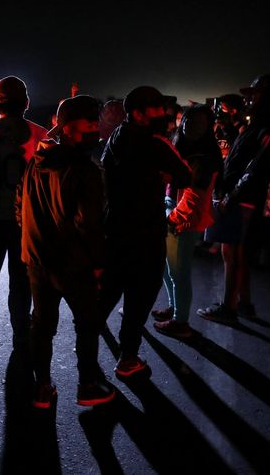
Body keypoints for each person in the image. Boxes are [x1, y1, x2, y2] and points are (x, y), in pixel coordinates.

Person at [19, 95, 116, 408]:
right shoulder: (84, 169)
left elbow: (19, 208)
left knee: (41, 325)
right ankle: (87, 384)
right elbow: (89, 224)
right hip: (73, 264)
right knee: (87, 324)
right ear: (70, 128)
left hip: (36, 259)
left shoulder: (37, 159)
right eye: (91, 125)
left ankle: (42, 387)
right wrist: (99, 262)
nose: (97, 131)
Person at [98, 86, 192, 378]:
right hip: (146, 232)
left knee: (110, 288)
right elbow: (186, 174)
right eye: (156, 109)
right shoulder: (155, 144)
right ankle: (127, 358)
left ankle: (87, 340)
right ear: (139, 113)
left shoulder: (115, 138)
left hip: (114, 227)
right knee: (140, 296)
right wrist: (160, 174)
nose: (163, 113)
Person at [198, 75, 270, 324]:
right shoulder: (260, 124)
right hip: (241, 196)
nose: (249, 98)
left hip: (243, 199)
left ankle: (228, 308)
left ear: (269, 97)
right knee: (237, 253)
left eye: (255, 93)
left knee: (233, 253)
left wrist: (232, 195)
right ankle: (244, 303)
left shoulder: (268, 127)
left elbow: (256, 167)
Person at [0, 76, 48, 346]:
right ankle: (20, 330)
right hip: (25, 221)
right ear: (26, 102)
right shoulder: (41, 136)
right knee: (21, 281)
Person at [153, 105, 223, 339]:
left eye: (196, 122)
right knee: (166, 268)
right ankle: (175, 309)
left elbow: (196, 195)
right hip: (172, 210)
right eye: (187, 121)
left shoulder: (204, 156)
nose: (188, 126)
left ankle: (180, 321)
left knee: (179, 272)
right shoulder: (187, 148)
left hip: (182, 217)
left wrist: (175, 219)